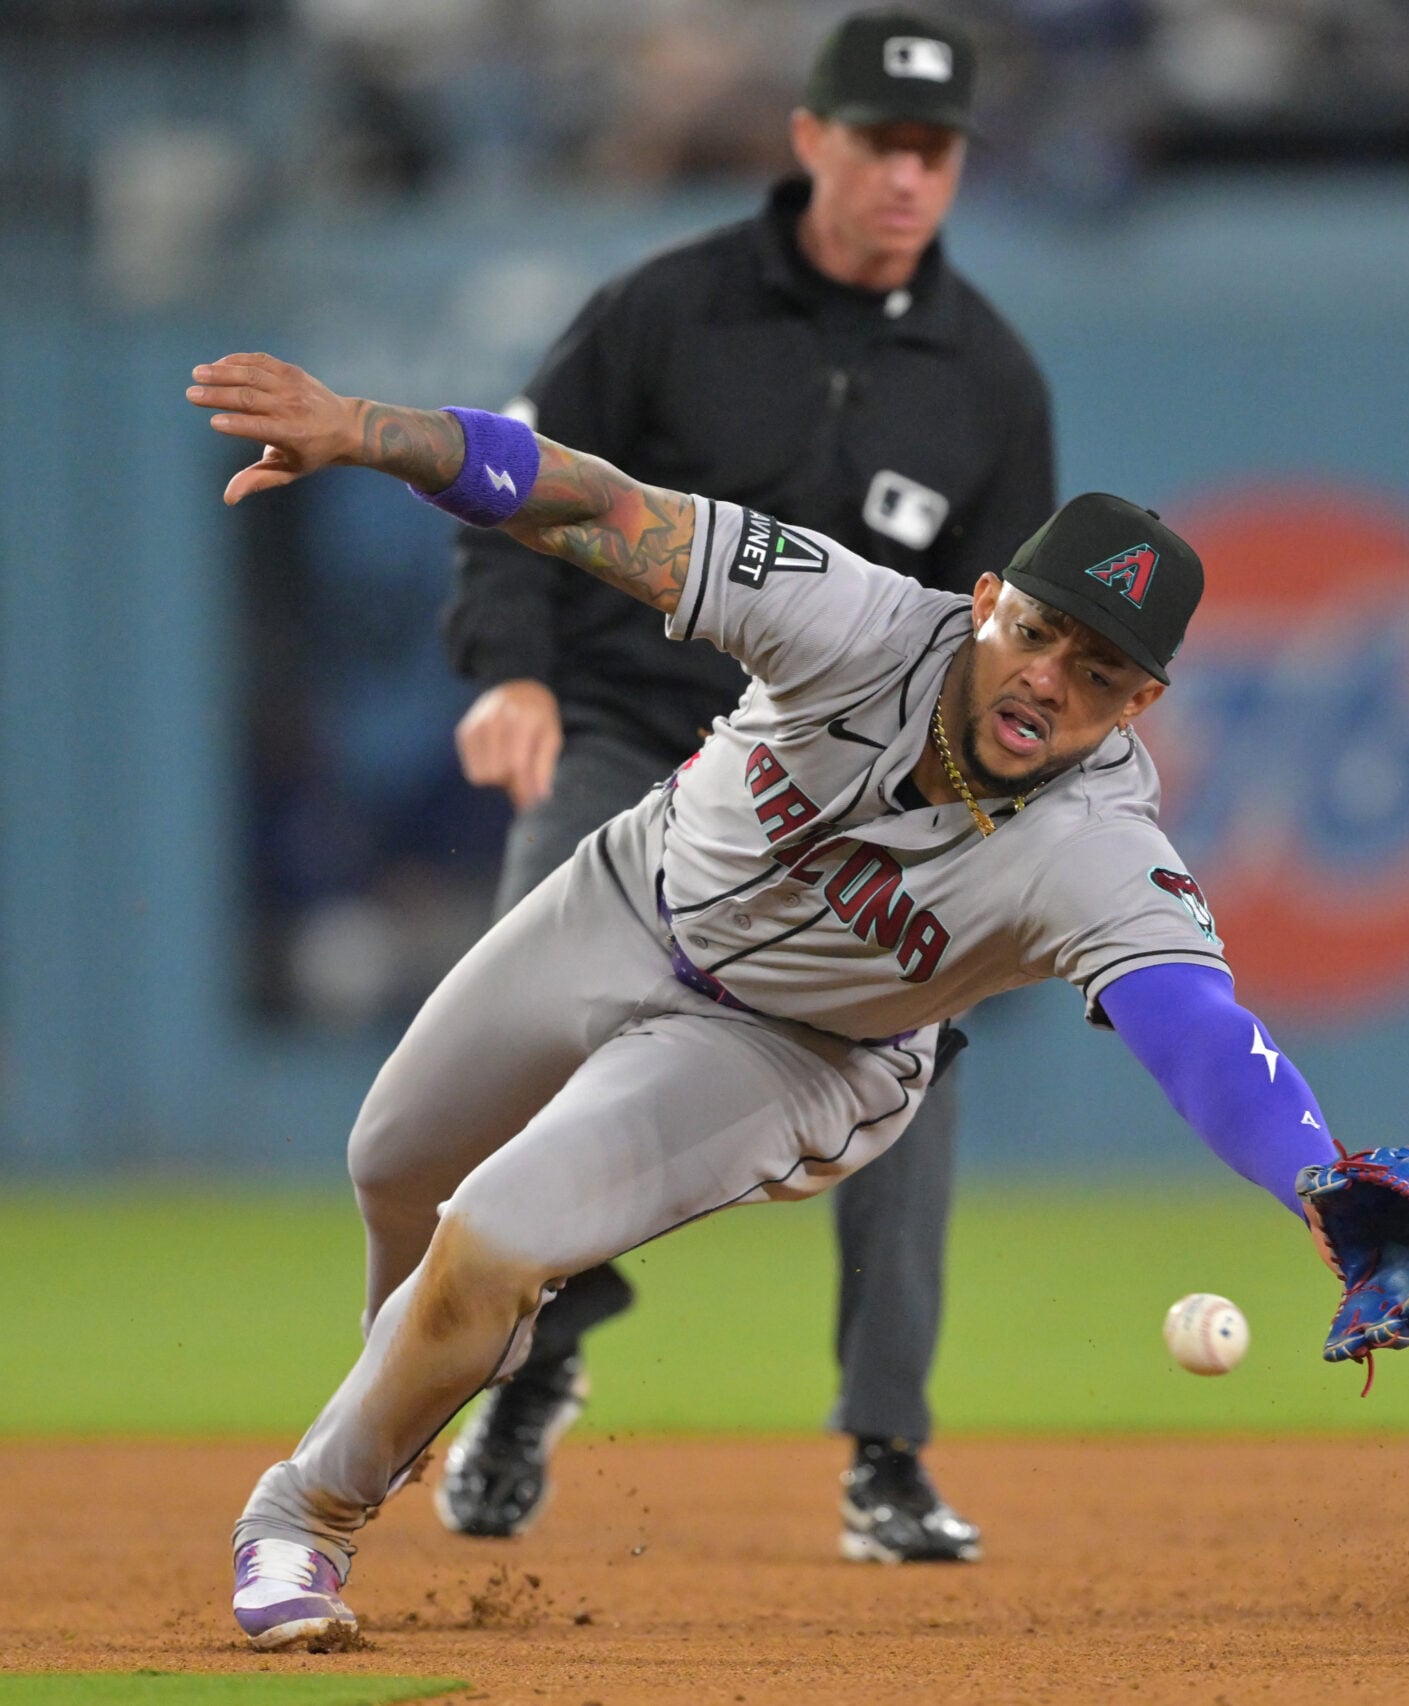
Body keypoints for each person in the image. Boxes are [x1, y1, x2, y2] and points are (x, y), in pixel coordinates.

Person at [190, 354, 1409, 1651]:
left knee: (491, 1237)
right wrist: (366, 427)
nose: (1049, 677)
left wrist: (1317, 1176)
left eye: (1099, 671)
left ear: (1144, 700)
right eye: (1037, 630)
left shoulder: (1105, 847)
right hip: (630, 898)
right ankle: (414, 1383)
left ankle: (306, 1508)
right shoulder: (855, 615)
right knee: (390, 1165)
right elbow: (598, 504)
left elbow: (1198, 1034)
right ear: (986, 600)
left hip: (792, 1055)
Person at [437, 7, 1055, 1564]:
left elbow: (1015, 643)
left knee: (921, 1062)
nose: (908, 174)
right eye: (880, 142)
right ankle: (534, 1360)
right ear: (811, 141)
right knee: (511, 1045)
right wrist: (511, 671)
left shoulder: (986, 376)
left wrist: (981, 840)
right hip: (635, 736)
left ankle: (888, 1453)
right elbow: (509, 489)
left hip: (852, 791)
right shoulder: (665, 311)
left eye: (936, 149)